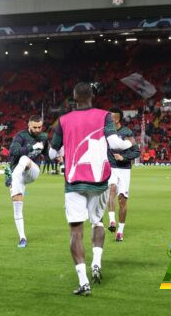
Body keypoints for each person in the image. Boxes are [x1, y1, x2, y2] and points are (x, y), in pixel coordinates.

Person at [49, 83, 135, 295]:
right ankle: (96, 261)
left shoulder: (64, 120)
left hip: (74, 181)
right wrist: (128, 144)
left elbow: (52, 153)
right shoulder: (104, 115)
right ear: (93, 96)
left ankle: (83, 281)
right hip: (99, 180)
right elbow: (114, 142)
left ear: (74, 97)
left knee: (75, 230)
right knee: (97, 222)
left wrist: (63, 151)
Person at [4, 115, 48, 248]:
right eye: (35, 127)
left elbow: (46, 152)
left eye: (40, 127)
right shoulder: (21, 136)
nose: (37, 129)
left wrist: (58, 157)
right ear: (29, 125)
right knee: (17, 206)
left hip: (32, 171)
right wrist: (31, 148)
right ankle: (22, 237)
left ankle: (11, 176)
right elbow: (13, 151)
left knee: (24, 159)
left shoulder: (44, 137)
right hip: (19, 176)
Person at [106, 107, 140, 241]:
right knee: (112, 189)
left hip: (124, 169)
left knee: (122, 200)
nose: (108, 120)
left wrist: (124, 158)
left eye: (111, 118)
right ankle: (111, 221)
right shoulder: (106, 132)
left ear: (117, 118)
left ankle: (120, 231)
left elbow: (137, 152)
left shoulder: (127, 132)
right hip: (111, 167)